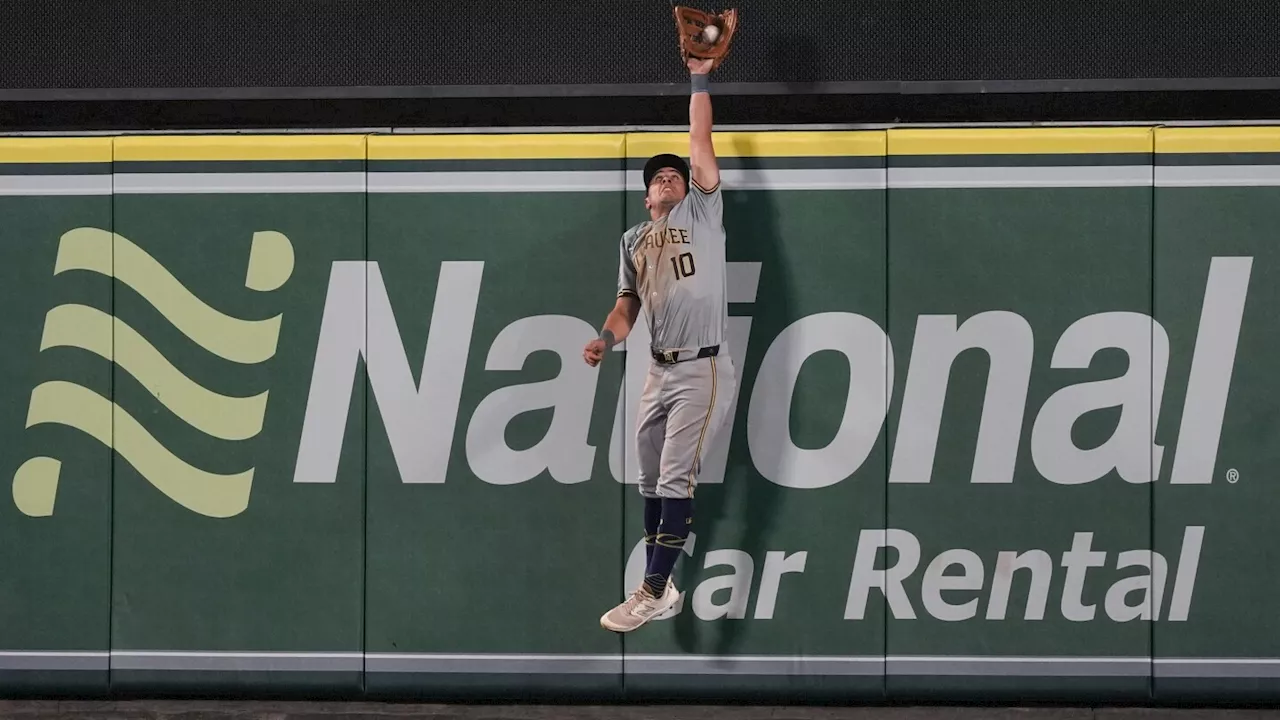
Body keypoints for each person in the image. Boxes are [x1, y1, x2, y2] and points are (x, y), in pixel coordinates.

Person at [583, 56, 737, 633]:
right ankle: (663, 585)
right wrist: (604, 339)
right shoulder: (633, 239)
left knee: (674, 480)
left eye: (673, 174)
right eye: (658, 178)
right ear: (647, 196)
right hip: (657, 368)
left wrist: (699, 77)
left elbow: (700, 137)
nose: (667, 178)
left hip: (703, 364)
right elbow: (627, 307)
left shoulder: (703, 212)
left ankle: (650, 589)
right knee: (648, 480)